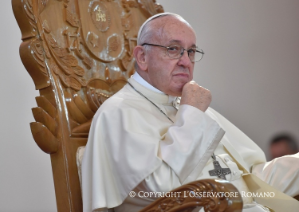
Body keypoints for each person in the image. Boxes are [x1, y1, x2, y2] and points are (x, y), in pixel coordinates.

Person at [81, 12, 299, 212]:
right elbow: (159, 192)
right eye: (173, 49)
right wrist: (192, 114)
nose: (186, 61)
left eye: (191, 51)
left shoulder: (184, 103)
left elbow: (250, 178)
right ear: (142, 57)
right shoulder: (119, 112)